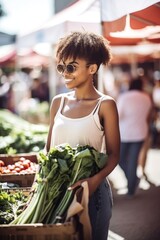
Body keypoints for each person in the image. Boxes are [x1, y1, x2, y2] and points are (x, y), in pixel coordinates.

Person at [45, 31, 120, 240]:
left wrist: (93, 182)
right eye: (62, 67)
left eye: (72, 67)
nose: (65, 73)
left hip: (93, 195)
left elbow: (114, 155)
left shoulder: (105, 105)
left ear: (92, 69)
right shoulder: (57, 102)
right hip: (55, 193)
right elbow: (48, 148)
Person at [117, 77, 152, 196]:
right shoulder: (146, 97)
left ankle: (132, 183)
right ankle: (132, 184)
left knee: (120, 160)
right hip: (140, 133)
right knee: (132, 161)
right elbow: (148, 116)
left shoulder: (124, 97)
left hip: (124, 134)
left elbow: (118, 115)